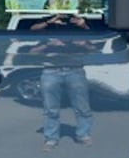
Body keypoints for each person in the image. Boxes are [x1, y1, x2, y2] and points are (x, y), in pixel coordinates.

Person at [29, 13, 93, 150]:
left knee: (82, 106)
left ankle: (83, 135)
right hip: (51, 70)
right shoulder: (46, 30)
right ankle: (51, 138)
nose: (64, 21)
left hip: (75, 69)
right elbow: (32, 51)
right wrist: (48, 30)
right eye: (60, 18)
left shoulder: (80, 29)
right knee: (50, 108)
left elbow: (94, 49)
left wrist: (83, 28)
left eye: (67, 17)